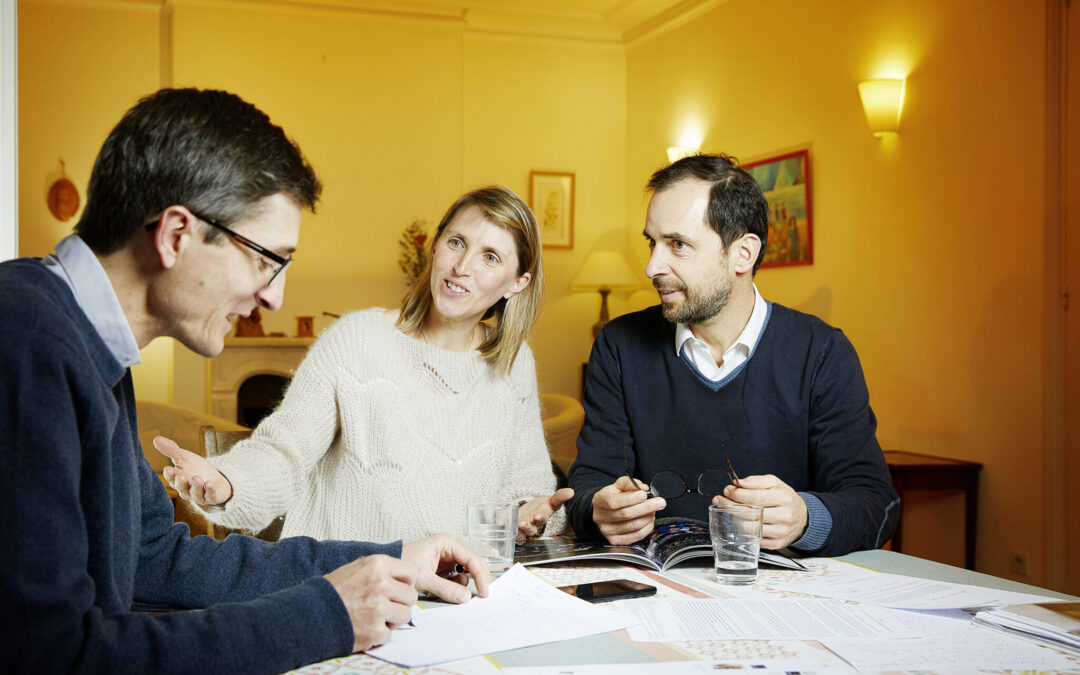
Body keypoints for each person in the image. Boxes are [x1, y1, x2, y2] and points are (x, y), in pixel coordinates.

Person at [0, 88, 490, 674]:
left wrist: (393, 557)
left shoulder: (80, 340)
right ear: (177, 234)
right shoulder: (25, 340)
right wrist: (326, 615)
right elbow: (51, 657)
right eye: (266, 259)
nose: (274, 296)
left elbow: (159, 557)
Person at [159, 185, 573, 543]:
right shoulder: (357, 339)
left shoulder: (514, 364)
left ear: (518, 282)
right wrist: (229, 484)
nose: (461, 268)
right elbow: (285, 451)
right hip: (357, 591)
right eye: (457, 242)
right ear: (436, 244)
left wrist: (528, 516)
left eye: (490, 258)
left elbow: (532, 492)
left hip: (462, 597)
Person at [566, 153, 899, 557]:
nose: (653, 266)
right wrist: (597, 508)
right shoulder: (618, 345)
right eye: (653, 243)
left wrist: (805, 518)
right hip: (655, 593)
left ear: (743, 253)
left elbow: (877, 505)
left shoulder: (821, 351)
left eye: (678, 245)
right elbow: (585, 487)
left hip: (783, 600)